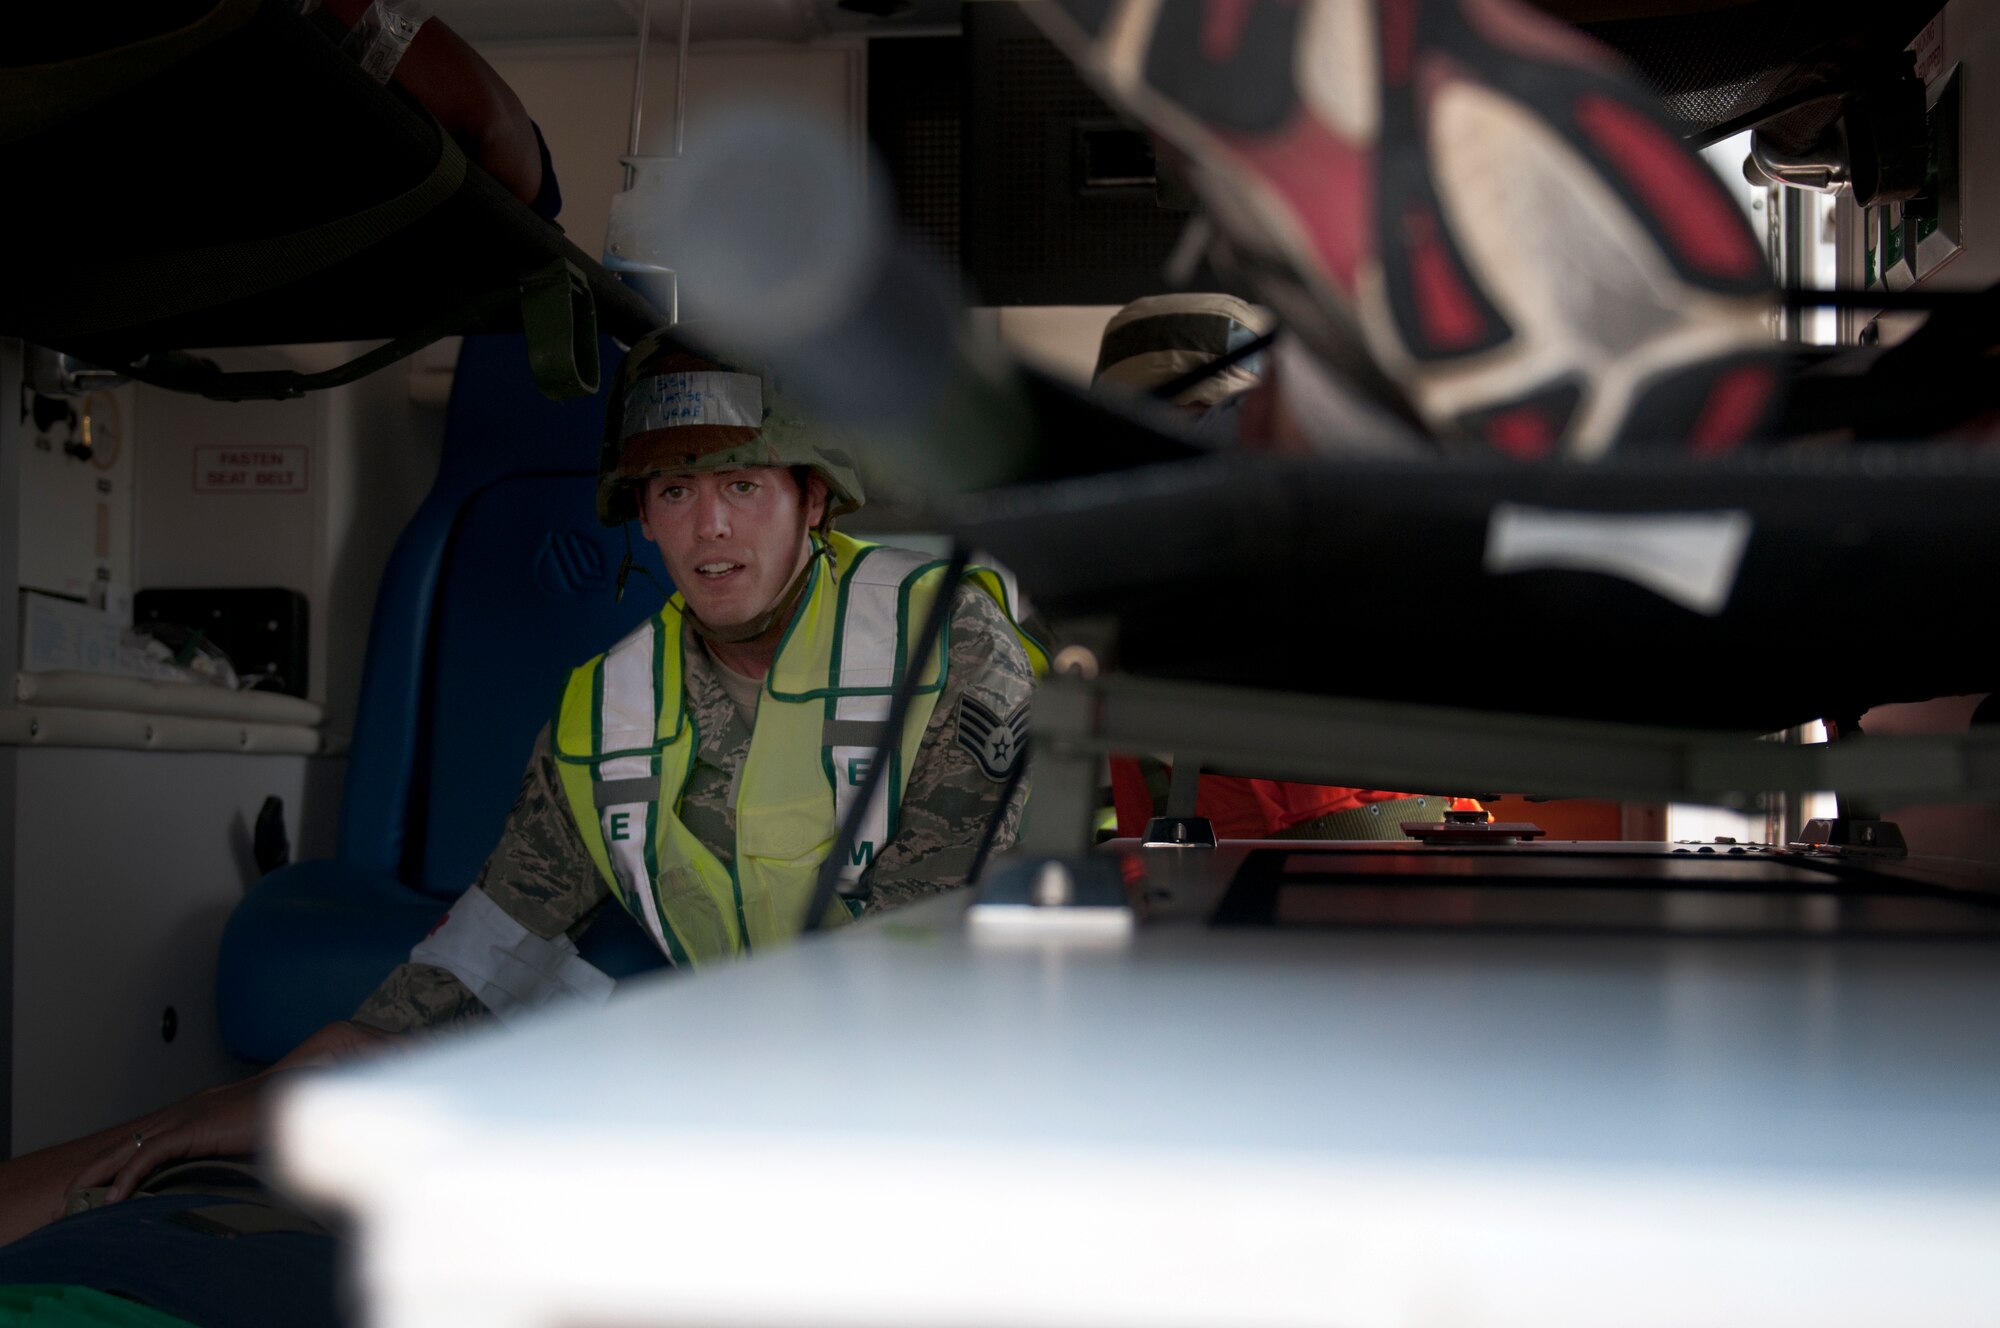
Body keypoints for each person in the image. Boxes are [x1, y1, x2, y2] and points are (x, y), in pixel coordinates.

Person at [0, 331, 1042, 1242]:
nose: (709, 528)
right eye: (675, 491)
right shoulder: (606, 712)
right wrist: (260, 1094)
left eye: (743, 485)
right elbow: (480, 958)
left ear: (812, 497)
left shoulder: (948, 638)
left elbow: (925, 962)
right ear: (638, 515)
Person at [1090, 292, 1479, 841]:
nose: (1182, 460)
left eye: (1210, 423)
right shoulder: (1114, 578)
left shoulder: (1344, 552)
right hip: (1192, 897)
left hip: (1379, 877)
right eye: (1153, 430)